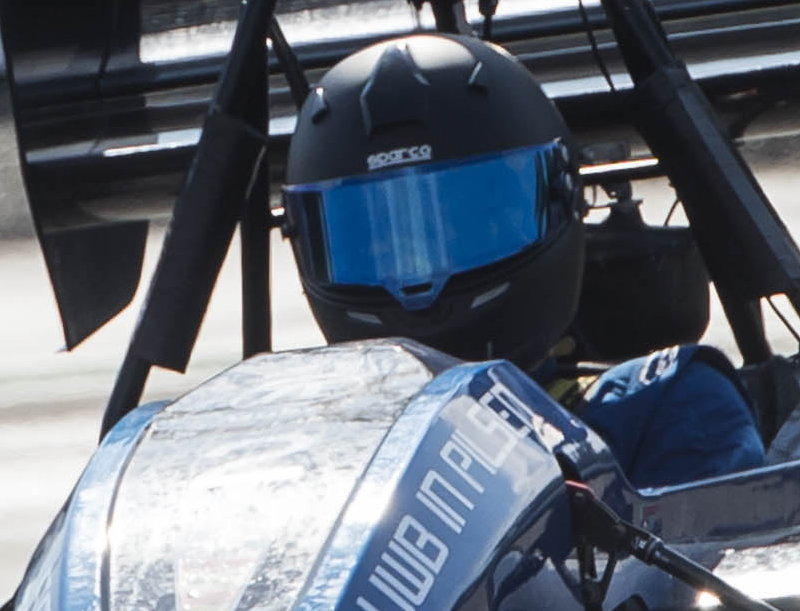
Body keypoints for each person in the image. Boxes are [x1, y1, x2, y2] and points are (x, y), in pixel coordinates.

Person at [281, 30, 767, 491]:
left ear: (562, 201)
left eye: (462, 227)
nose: (417, 280)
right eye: (377, 243)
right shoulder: (318, 461)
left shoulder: (658, 408)